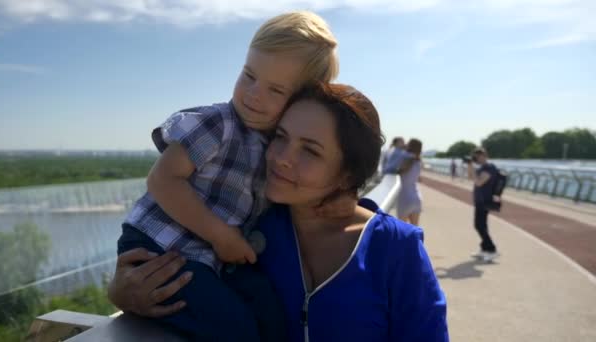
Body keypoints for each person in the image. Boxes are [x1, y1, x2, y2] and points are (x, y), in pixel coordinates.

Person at [110, 83, 449, 341]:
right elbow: (194, 295)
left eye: (310, 151)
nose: (281, 157)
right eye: (280, 137)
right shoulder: (248, 231)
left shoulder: (394, 249)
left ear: (347, 174)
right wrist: (123, 296)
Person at [117, 11, 339, 340]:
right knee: (233, 328)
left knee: (273, 317)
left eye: (276, 90)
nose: (254, 94)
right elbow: (162, 180)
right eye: (249, 75)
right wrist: (221, 235)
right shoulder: (218, 124)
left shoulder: (274, 147)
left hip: (213, 258)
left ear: (301, 100)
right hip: (161, 247)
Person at [466, 147, 500, 262]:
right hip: (479, 200)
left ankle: (492, 249)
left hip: (485, 200)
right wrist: (470, 165)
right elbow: (471, 177)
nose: (477, 159)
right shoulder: (482, 168)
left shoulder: (490, 168)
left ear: (484, 156)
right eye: (475, 157)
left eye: (478, 156)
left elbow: (479, 182)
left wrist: (474, 170)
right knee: (481, 225)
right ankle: (485, 248)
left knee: (479, 225)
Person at [396, 138, 423, 225]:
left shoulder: (406, 159)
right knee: (415, 231)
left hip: (405, 197)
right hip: (416, 197)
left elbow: (398, 171)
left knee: (401, 230)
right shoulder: (419, 162)